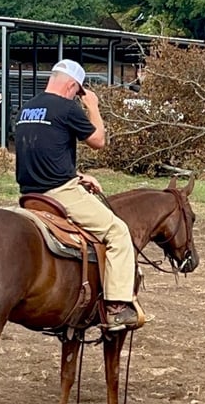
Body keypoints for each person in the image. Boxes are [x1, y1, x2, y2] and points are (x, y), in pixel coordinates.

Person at [14, 59, 144, 331]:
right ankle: (117, 307)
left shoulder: (26, 108)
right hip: (60, 193)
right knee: (118, 231)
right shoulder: (67, 107)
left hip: (29, 194)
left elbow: (46, 152)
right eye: (77, 91)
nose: (76, 95)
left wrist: (77, 176)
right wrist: (93, 106)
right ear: (73, 85)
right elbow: (98, 141)